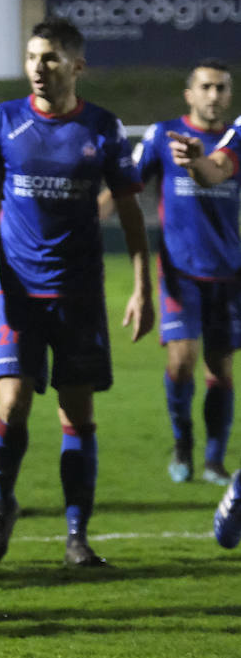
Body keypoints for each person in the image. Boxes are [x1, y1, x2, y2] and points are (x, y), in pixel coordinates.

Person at [0, 17, 153, 568]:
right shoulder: (2, 121)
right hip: (18, 293)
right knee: (13, 401)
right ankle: (3, 504)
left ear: (76, 66)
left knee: (77, 415)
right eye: (32, 56)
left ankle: (77, 535)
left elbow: (130, 213)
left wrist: (143, 288)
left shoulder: (102, 128)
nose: (38, 67)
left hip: (78, 296)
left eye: (50, 57)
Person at [131, 61, 237, 486]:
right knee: (181, 362)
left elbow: (214, 173)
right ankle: (182, 445)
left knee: (221, 370)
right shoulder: (160, 135)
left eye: (222, 88)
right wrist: (82, 218)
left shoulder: (236, 139)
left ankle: (213, 460)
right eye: (206, 87)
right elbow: (126, 188)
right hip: (179, 270)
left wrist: (195, 162)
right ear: (189, 94)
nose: (214, 95)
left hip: (229, 273)